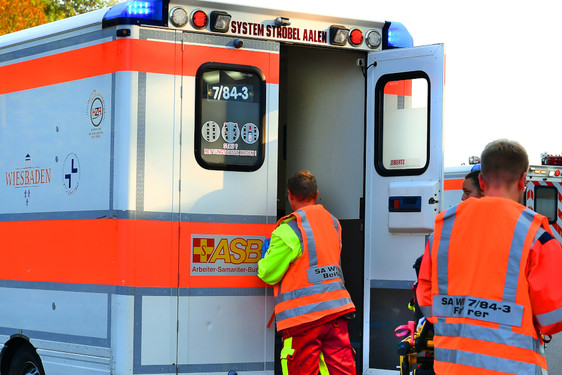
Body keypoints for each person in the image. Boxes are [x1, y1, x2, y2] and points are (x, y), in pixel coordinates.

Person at [416, 139, 562, 374]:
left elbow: (426, 299)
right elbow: (552, 318)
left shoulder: (443, 231)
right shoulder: (537, 236)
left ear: (481, 181)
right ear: (523, 180)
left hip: (451, 368)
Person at [258, 170, 356, 375]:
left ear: (290, 195)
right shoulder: (333, 223)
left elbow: (268, 274)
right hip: (337, 312)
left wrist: (265, 256)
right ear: (316, 193)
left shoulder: (289, 229)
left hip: (304, 319)